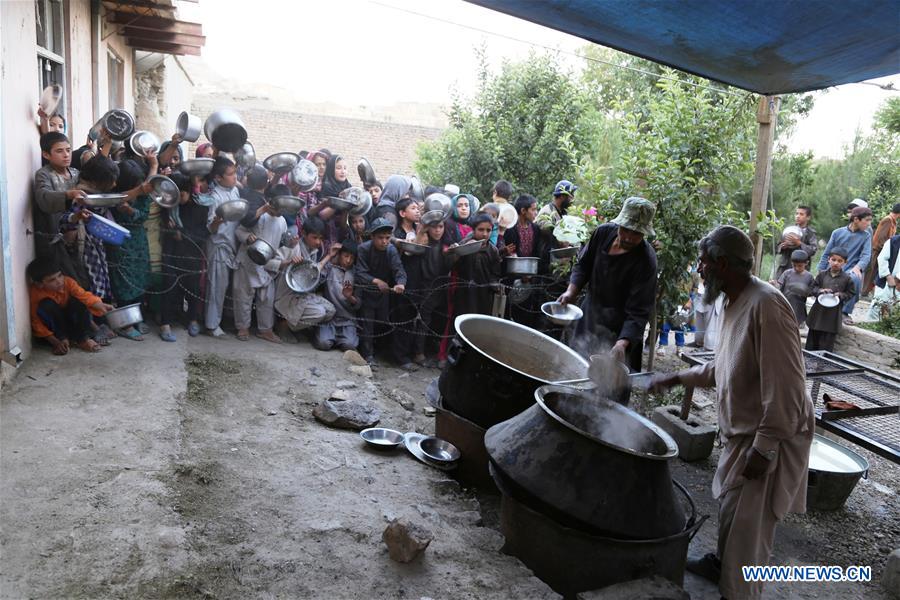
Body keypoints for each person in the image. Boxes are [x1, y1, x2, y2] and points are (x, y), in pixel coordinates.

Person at [650, 225, 814, 600]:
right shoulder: (733, 298)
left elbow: (787, 388)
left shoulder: (768, 306)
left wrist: (765, 447)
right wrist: (677, 377)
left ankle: (738, 592)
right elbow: (725, 367)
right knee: (731, 510)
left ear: (722, 264)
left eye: (704, 263)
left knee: (748, 538)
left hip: (766, 436)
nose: (700, 270)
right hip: (745, 433)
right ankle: (721, 565)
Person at [558, 197, 658, 371]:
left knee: (609, 385)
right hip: (590, 315)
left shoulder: (646, 261)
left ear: (644, 233)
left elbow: (639, 311)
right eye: (626, 229)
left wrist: (622, 344)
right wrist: (571, 291)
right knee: (575, 370)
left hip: (621, 330)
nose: (628, 237)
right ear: (619, 224)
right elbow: (583, 265)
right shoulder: (603, 233)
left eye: (636, 233)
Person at [106, 158, 155, 341]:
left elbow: (144, 215)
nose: (139, 186)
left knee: (140, 278)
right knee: (123, 282)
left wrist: (132, 212)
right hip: (120, 241)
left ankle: (135, 319)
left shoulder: (142, 195)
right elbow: (112, 205)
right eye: (135, 183)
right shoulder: (114, 194)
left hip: (139, 241)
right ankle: (124, 325)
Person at [27, 257, 114, 355]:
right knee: (47, 305)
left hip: (71, 323)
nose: (59, 281)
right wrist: (56, 342)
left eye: (60, 276)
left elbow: (84, 296)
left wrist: (100, 304)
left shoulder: (68, 282)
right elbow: (36, 322)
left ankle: (83, 339)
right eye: (52, 280)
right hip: (55, 328)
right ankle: (66, 339)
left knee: (79, 301)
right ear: (39, 284)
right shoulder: (36, 293)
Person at [159, 173, 207, 342]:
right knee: (169, 286)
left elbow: (202, 234)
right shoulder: (168, 206)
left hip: (191, 255)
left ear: (188, 191)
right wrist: (171, 230)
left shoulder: (200, 207)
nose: (179, 199)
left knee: (193, 288)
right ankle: (165, 323)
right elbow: (164, 228)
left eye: (183, 194)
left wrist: (183, 235)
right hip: (171, 252)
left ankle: (192, 319)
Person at [355, 217, 408, 369]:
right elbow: (360, 273)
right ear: (372, 237)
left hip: (384, 293)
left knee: (382, 321)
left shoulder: (391, 250)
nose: (384, 241)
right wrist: (376, 281)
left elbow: (399, 270)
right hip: (367, 291)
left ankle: (378, 351)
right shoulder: (364, 249)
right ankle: (368, 354)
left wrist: (400, 283)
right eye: (380, 238)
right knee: (367, 324)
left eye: (387, 238)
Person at [232, 199, 287, 343]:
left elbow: (282, 241)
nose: (279, 212)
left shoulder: (282, 221)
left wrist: (291, 243)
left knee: (266, 299)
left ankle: (266, 330)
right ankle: (242, 327)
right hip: (248, 260)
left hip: (267, 263)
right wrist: (247, 237)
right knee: (243, 296)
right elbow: (239, 230)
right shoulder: (258, 215)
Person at [273, 217, 337, 339]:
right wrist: (288, 262)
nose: (318, 242)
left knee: (330, 311)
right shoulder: (293, 245)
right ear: (303, 233)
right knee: (319, 313)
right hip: (286, 296)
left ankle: (295, 327)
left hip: (303, 296)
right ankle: (283, 326)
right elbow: (270, 263)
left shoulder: (314, 250)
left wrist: (329, 255)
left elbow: (313, 270)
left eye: (321, 238)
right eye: (315, 237)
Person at [204, 156, 241, 337]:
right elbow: (210, 228)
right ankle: (211, 325)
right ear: (218, 178)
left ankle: (220, 320)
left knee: (226, 287)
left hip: (232, 245)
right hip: (219, 246)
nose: (235, 177)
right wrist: (218, 221)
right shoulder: (214, 196)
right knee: (216, 286)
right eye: (230, 174)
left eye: (235, 173)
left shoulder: (234, 192)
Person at [817, 206, 872, 324]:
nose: (869, 223)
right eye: (867, 220)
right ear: (856, 219)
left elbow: (866, 255)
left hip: (850, 269)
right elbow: (827, 253)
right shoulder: (837, 233)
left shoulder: (866, 236)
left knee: (855, 278)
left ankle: (845, 312)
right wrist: (820, 270)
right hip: (833, 267)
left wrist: (858, 267)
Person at [313, 239, 361, 352]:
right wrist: (329, 256)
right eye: (346, 256)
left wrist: (349, 297)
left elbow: (359, 303)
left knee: (350, 346)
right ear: (339, 255)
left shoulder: (357, 274)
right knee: (323, 344)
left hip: (347, 319)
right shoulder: (330, 268)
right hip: (329, 318)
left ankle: (341, 339)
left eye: (352, 258)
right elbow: (314, 276)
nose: (348, 260)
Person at [451, 214, 501, 317]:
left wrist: (494, 283)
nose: (485, 234)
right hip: (465, 291)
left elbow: (495, 272)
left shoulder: (493, 250)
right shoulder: (465, 245)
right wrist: (458, 251)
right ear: (473, 230)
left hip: (484, 293)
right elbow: (453, 264)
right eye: (481, 230)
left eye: (488, 230)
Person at [504, 194, 543, 327]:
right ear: (523, 211)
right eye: (533, 209)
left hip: (529, 278)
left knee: (525, 313)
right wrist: (521, 274)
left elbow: (536, 252)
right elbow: (511, 253)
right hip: (511, 279)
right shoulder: (510, 229)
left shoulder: (535, 229)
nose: (535, 213)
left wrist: (530, 275)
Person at [806, 247, 855, 351]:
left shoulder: (847, 278)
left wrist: (840, 295)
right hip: (818, 313)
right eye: (833, 260)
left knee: (826, 345)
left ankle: (822, 365)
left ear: (845, 262)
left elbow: (850, 293)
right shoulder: (822, 275)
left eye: (840, 261)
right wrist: (820, 291)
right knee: (811, 342)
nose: (836, 263)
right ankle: (807, 364)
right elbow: (812, 288)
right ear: (828, 259)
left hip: (832, 315)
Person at [863, 202, 900, 295]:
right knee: (871, 273)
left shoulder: (892, 221)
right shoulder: (888, 220)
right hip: (878, 250)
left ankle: (867, 292)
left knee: (875, 273)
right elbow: (881, 239)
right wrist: (889, 249)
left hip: (882, 250)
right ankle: (864, 293)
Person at [772, 249, 815, 326]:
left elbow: (811, 292)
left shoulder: (809, 277)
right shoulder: (787, 273)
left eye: (800, 266)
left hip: (799, 307)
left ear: (806, 263)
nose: (796, 268)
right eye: (794, 265)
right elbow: (779, 286)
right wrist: (774, 284)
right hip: (785, 304)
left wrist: (804, 290)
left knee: (794, 326)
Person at [774, 206, 817, 279]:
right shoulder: (788, 230)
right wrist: (782, 247)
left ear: (808, 217)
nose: (798, 216)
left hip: (801, 269)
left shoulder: (810, 233)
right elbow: (776, 248)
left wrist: (799, 243)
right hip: (785, 267)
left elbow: (812, 250)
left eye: (801, 214)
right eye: (796, 214)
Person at [870, 233, 900, 319]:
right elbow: (882, 258)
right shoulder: (893, 241)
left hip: (899, 284)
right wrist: (888, 276)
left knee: (896, 311)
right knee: (878, 306)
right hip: (886, 280)